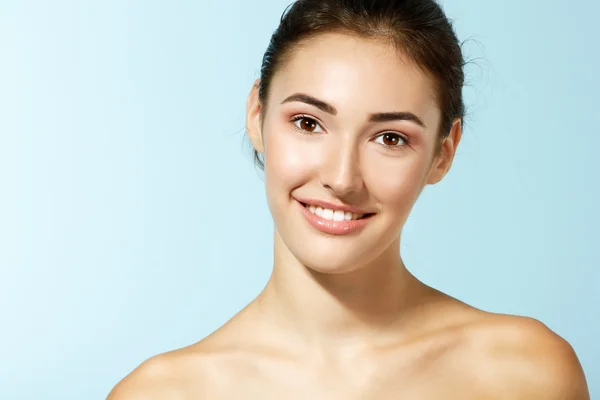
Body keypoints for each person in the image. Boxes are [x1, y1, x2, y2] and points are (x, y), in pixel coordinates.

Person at [107, 0, 590, 398]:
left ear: (444, 153)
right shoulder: (159, 393)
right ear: (257, 114)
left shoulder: (527, 375)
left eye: (390, 138)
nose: (342, 178)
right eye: (308, 123)